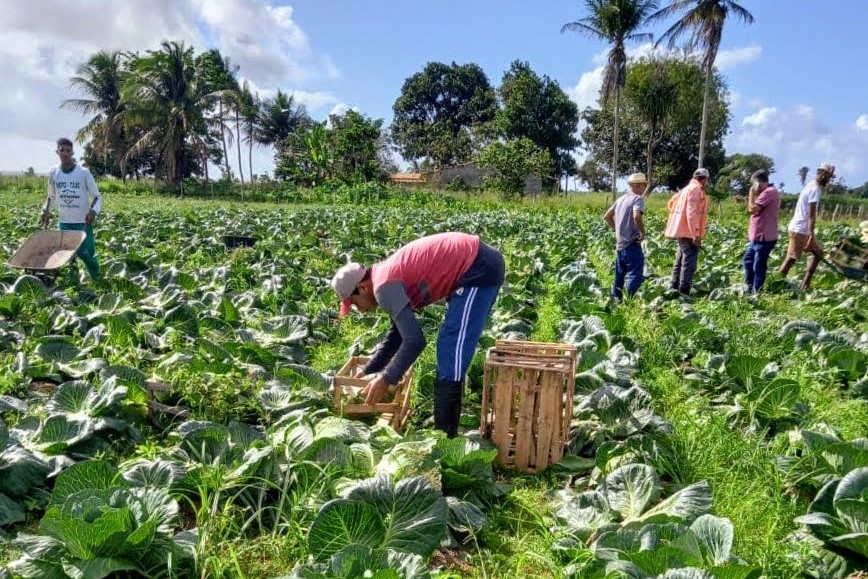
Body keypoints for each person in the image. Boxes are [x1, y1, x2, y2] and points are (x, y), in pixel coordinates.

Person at [330, 232, 505, 438]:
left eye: (353, 303)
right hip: (474, 265)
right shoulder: (383, 278)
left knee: (451, 346)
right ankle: (445, 433)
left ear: (362, 287)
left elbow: (415, 341)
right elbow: (397, 334)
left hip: (477, 268)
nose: (358, 310)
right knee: (450, 346)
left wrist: (386, 379)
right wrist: (368, 370)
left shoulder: (383, 287)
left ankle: (446, 437)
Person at [40, 138, 102, 281]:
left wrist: (93, 211)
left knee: (86, 254)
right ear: (57, 151)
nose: (65, 153)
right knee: (68, 256)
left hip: (82, 222)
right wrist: (45, 210)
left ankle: (98, 280)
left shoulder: (83, 172)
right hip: (64, 222)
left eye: (68, 151)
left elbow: (97, 196)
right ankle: (73, 284)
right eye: (62, 150)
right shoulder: (53, 172)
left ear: (72, 152)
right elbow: (51, 196)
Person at [779, 162, 835, 290]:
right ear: (823, 174)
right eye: (829, 177)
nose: (829, 180)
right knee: (791, 259)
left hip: (801, 229)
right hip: (800, 229)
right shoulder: (814, 189)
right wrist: (811, 237)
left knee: (818, 253)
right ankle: (776, 285)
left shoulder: (812, 185)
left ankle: (805, 285)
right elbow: (811, 216)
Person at [664, 167, 710, 296]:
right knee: (689, 262)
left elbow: (670, 204)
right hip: (689, 231)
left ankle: (673, 287)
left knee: (680, 259)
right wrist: (696, 233)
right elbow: (692, 213)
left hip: (681, 229)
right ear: (705, 179)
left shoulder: (685, 189)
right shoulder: (696, 190)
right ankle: (684, 291)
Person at [604, 172, 647, 300]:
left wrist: (617, 229)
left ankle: (616, 300)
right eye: (643, 185)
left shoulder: (620, 199)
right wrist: (641, 232)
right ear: (638, 186)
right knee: (635, 274)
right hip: (631, 244)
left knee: (619, 275)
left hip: (620, 244)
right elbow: (636, 215)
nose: (644, 188)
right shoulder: (637, 199)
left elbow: (606, 216)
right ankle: (629, 301)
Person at [742, 169, 781, 293]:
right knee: (748, 261)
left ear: (758, 182)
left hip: (764, 237)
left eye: (754, 184)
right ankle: (749, 287)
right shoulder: (768, 192)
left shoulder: (769, 192)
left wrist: (751, 195)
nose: (754, 187)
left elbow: (752, 209)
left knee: (758, 265)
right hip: (756, 237)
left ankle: (756, 291)